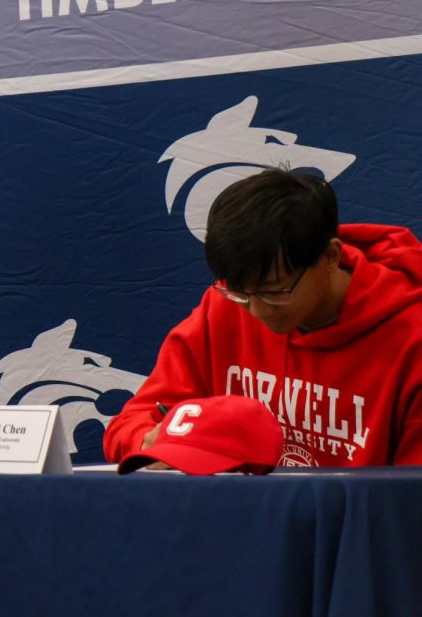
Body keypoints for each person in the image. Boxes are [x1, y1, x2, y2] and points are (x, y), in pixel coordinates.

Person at [104, 167, 422, 468]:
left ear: (330, 257)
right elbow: (128, 425)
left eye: (274, 292)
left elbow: (407, 497)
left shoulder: (410, 340)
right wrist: (149, 445)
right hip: (238, 520)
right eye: (241, 293)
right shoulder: (224, 307)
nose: (256, 310)